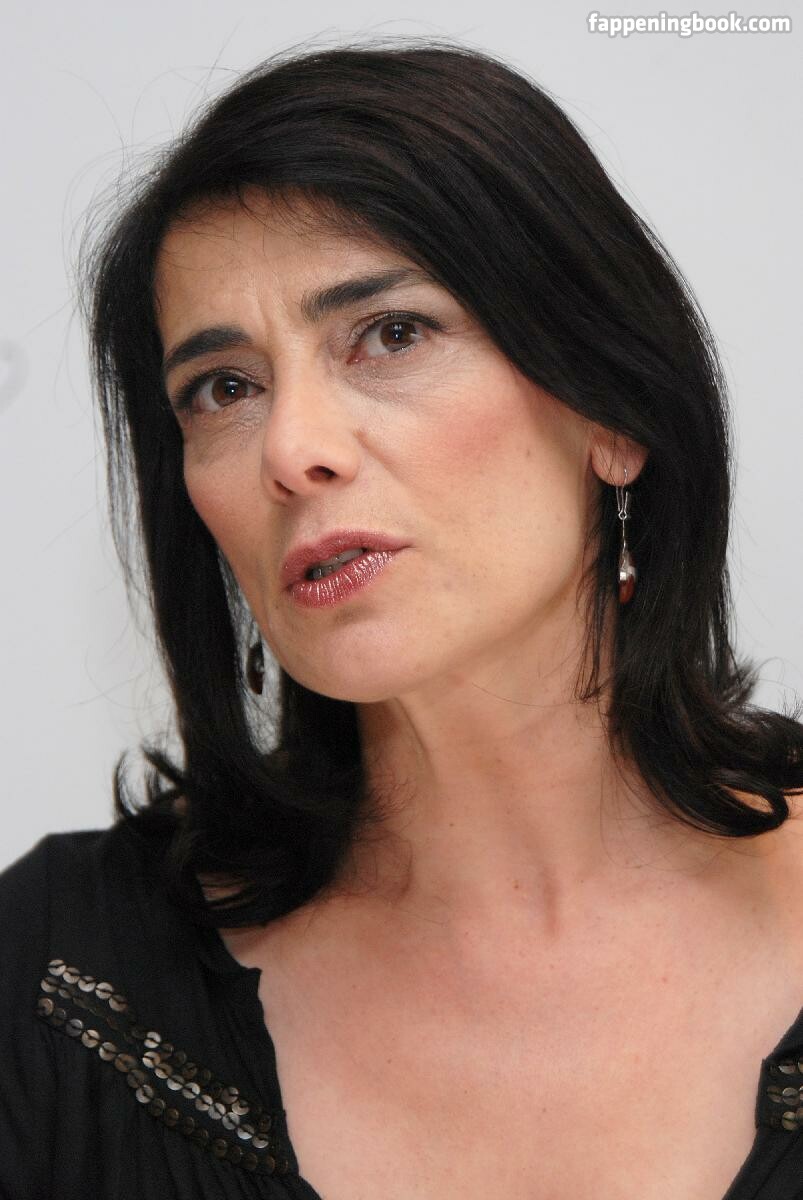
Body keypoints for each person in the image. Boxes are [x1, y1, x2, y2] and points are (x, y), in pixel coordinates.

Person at [1, 35, 802, 1200]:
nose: (291, 450)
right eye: (225, 388)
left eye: (390, 333)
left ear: (610, 411)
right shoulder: (52, 974)